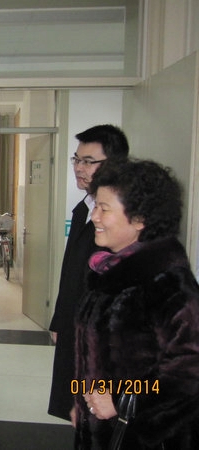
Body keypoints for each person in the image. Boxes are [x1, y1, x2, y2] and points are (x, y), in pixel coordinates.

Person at [73, 159, 199, 449]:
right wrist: (81, 405)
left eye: (104, 208)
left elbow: (189, 371)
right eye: (95, 206)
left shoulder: (168, 284)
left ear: (140, 218)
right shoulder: (108, 273)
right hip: (100, 430)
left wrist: (123, 401)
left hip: (145, 438)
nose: (94, 216)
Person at [48, 124, 129, 421]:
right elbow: (71, 273)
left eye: (88, 161)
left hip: (101, 345)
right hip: (76, 325)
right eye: (76, 159)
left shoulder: (121, 224)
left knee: (95, 416)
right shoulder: (85, 208)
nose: (79, 168)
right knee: (78, 411)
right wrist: (59, 319)